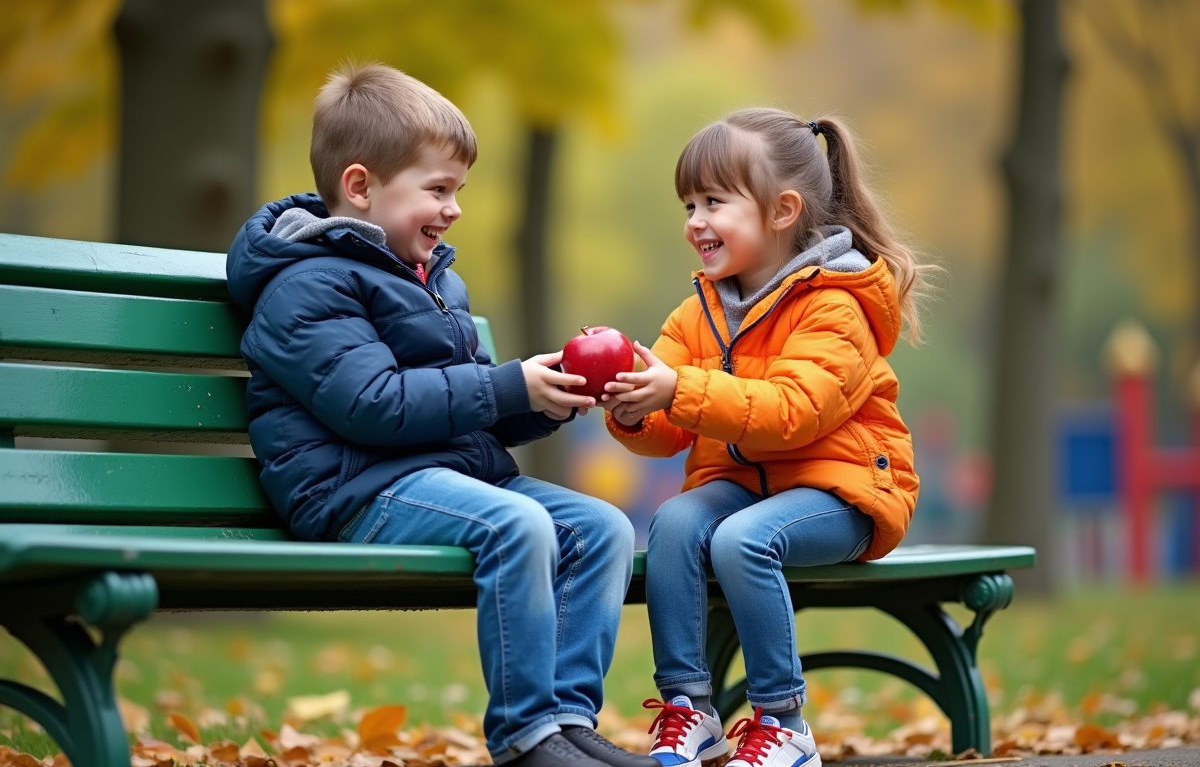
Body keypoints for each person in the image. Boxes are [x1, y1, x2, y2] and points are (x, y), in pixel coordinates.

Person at [226, 62, 654, 767]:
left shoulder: (432, 279)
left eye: (458, 190)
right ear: (360, 187)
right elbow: (374, 407)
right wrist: (506, 387)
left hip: (440, 476)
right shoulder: (304, 284)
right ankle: (525, 738)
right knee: (518, 524)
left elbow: (465, 404)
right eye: (438, 190)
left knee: (601, 527)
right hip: (357, 487)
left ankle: (567, 722)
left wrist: (545, 396)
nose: (454, 208)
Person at [601, 109, 933, 767]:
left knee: (742, 539)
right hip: (740, 489)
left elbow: (792, 412)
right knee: (672, 523)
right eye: (689, 204)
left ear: (782, 211)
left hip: (842, 491)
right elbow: (670, 431)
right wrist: (636, 408)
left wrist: (680, 391)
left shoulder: (835, 305)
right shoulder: (699, 312)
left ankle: (784, 722)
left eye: (714, 202)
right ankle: (689, 708)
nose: (696, 220)